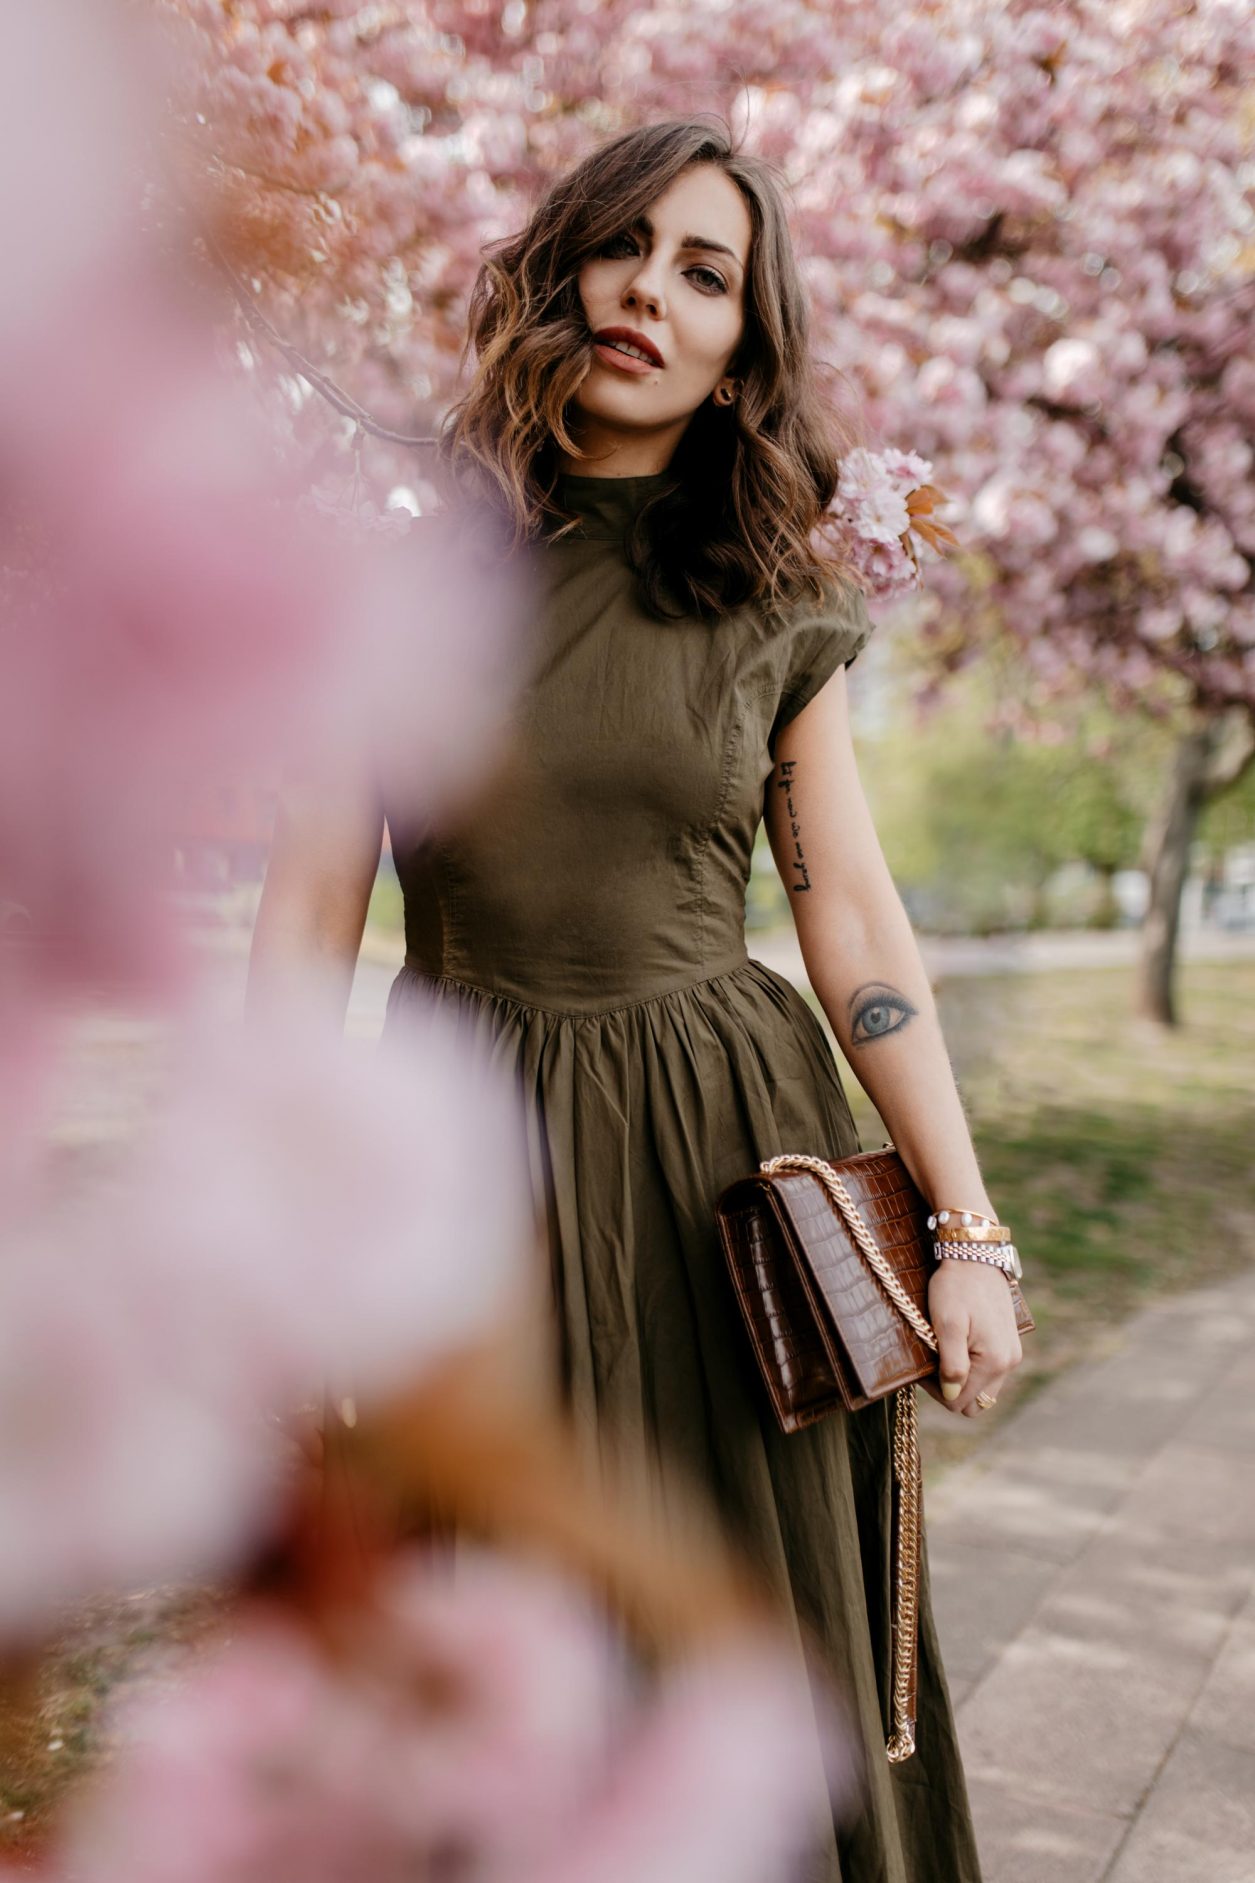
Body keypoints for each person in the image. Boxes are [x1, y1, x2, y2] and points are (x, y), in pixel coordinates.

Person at [248, 115, 1024, 1882]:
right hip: (467, 1167)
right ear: (561, 263)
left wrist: (967, 1234)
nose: (651, 297)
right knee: (497, 1629)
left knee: (756, 1625)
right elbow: (297, 940)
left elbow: (858, 939)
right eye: (628, 248)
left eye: (708, 274)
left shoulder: (774, 589)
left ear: (748, 343)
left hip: (725, 1180)